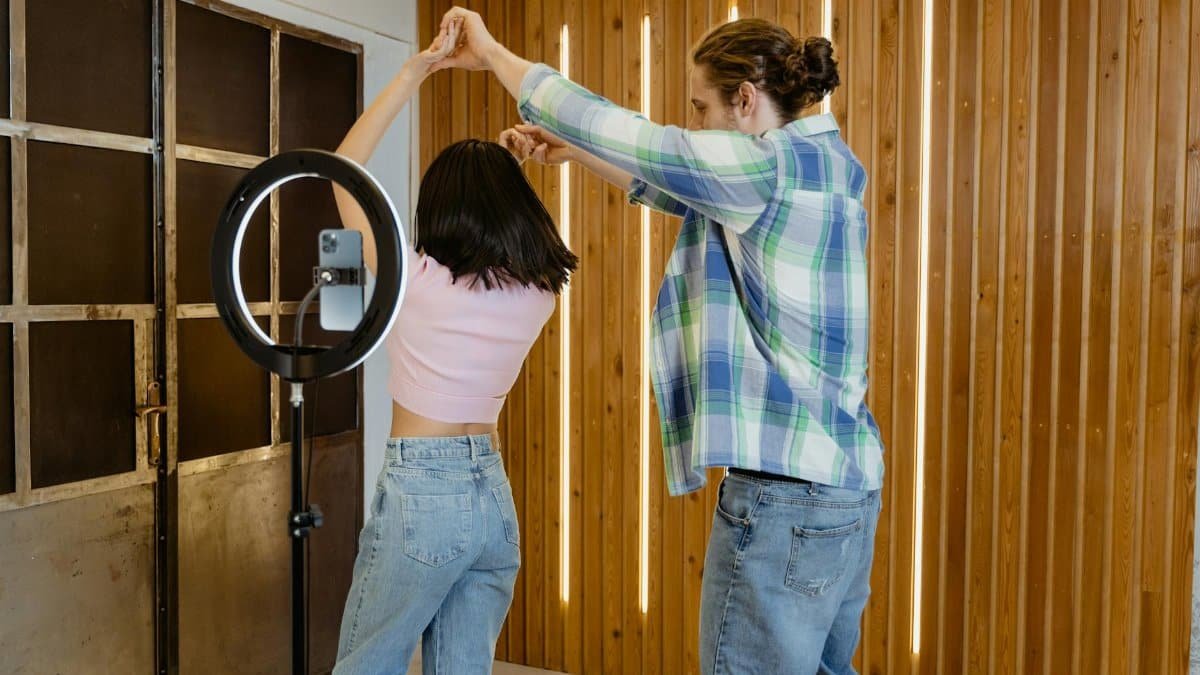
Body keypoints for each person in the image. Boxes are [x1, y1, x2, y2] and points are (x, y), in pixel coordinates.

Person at [435, 10, 884, 674]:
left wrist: (494, 54)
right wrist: (577, 153)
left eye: (702, 109)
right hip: (846, 490)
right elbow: (685, 190)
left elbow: (638, 139)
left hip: (784, 501)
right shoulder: (826, 165)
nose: (695, 125)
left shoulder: (764, 170)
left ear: (745, 100)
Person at [330, 23, 578, 674]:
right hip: (492, 496)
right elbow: (499, 235)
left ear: (435, 209)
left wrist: (414, 72)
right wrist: (508, 168)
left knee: (366, 664)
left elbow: (341, 175)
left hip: (422, 488)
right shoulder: (538, 294)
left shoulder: (416, 279)